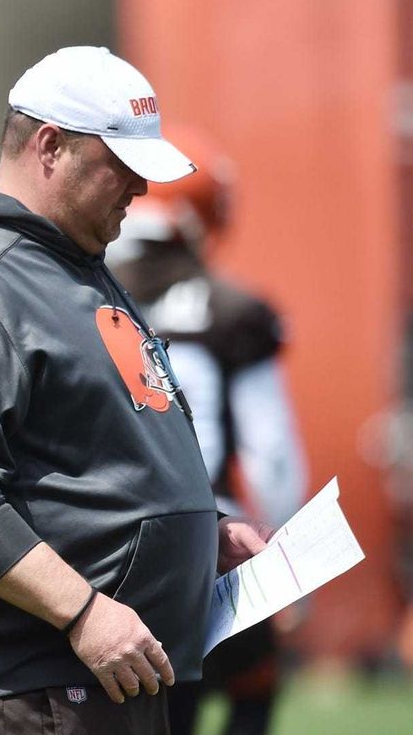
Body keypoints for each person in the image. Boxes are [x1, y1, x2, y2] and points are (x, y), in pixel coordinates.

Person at [0, 46, 275, 735]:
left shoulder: (70, 264)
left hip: (98, 676)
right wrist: (82, 611)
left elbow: (91, 460)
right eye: (121, 167)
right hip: (28, 689)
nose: (140, 191)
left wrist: (200, 532)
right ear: (51, 147)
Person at [106, 126, 307, 735]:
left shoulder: (80, 292)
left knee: (160, 702)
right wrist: (289, 560)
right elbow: (270, 451)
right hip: (212, 534)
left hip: (104, 540)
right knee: (251, 688)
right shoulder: (233, 310)